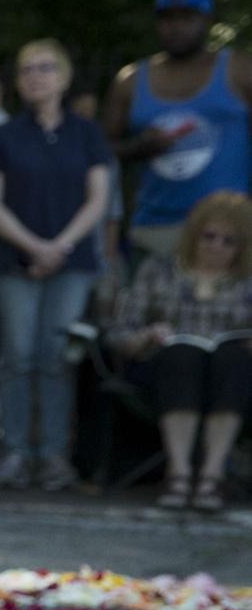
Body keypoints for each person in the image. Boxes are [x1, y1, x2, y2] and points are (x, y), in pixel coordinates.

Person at [0, 39, 113, 492]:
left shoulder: (86, 133)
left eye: (45, 67)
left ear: (64, 76)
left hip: (71, 262)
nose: (35, 76)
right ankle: (15, 451)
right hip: (14, 261)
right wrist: (34, 246)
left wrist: (60, 246)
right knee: (18, 356)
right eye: (26, 69)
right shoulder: (4, 136)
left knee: (58, 358)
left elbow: (99, 198)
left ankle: (54, 455)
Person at [105, 190, 252, 512]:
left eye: (229, 241)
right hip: (165, 369)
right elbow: (119, 332)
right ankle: (180, 472)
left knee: (233, 358)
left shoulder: (247, 280)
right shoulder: (159, 270)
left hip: (231, 375)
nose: (216, 246)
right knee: (183, 355)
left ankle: (212, 475)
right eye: (209, 236)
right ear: (193, 235)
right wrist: (147, 335)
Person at [105, 0, 252, 269]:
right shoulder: (131, 81)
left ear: (208, 21)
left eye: (187, 18)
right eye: (168, 18)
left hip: (227, 231)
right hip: (156, 229)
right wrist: (139, 148)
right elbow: (99, 151)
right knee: (153, 314)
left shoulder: (239, 69)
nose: (176, 27)